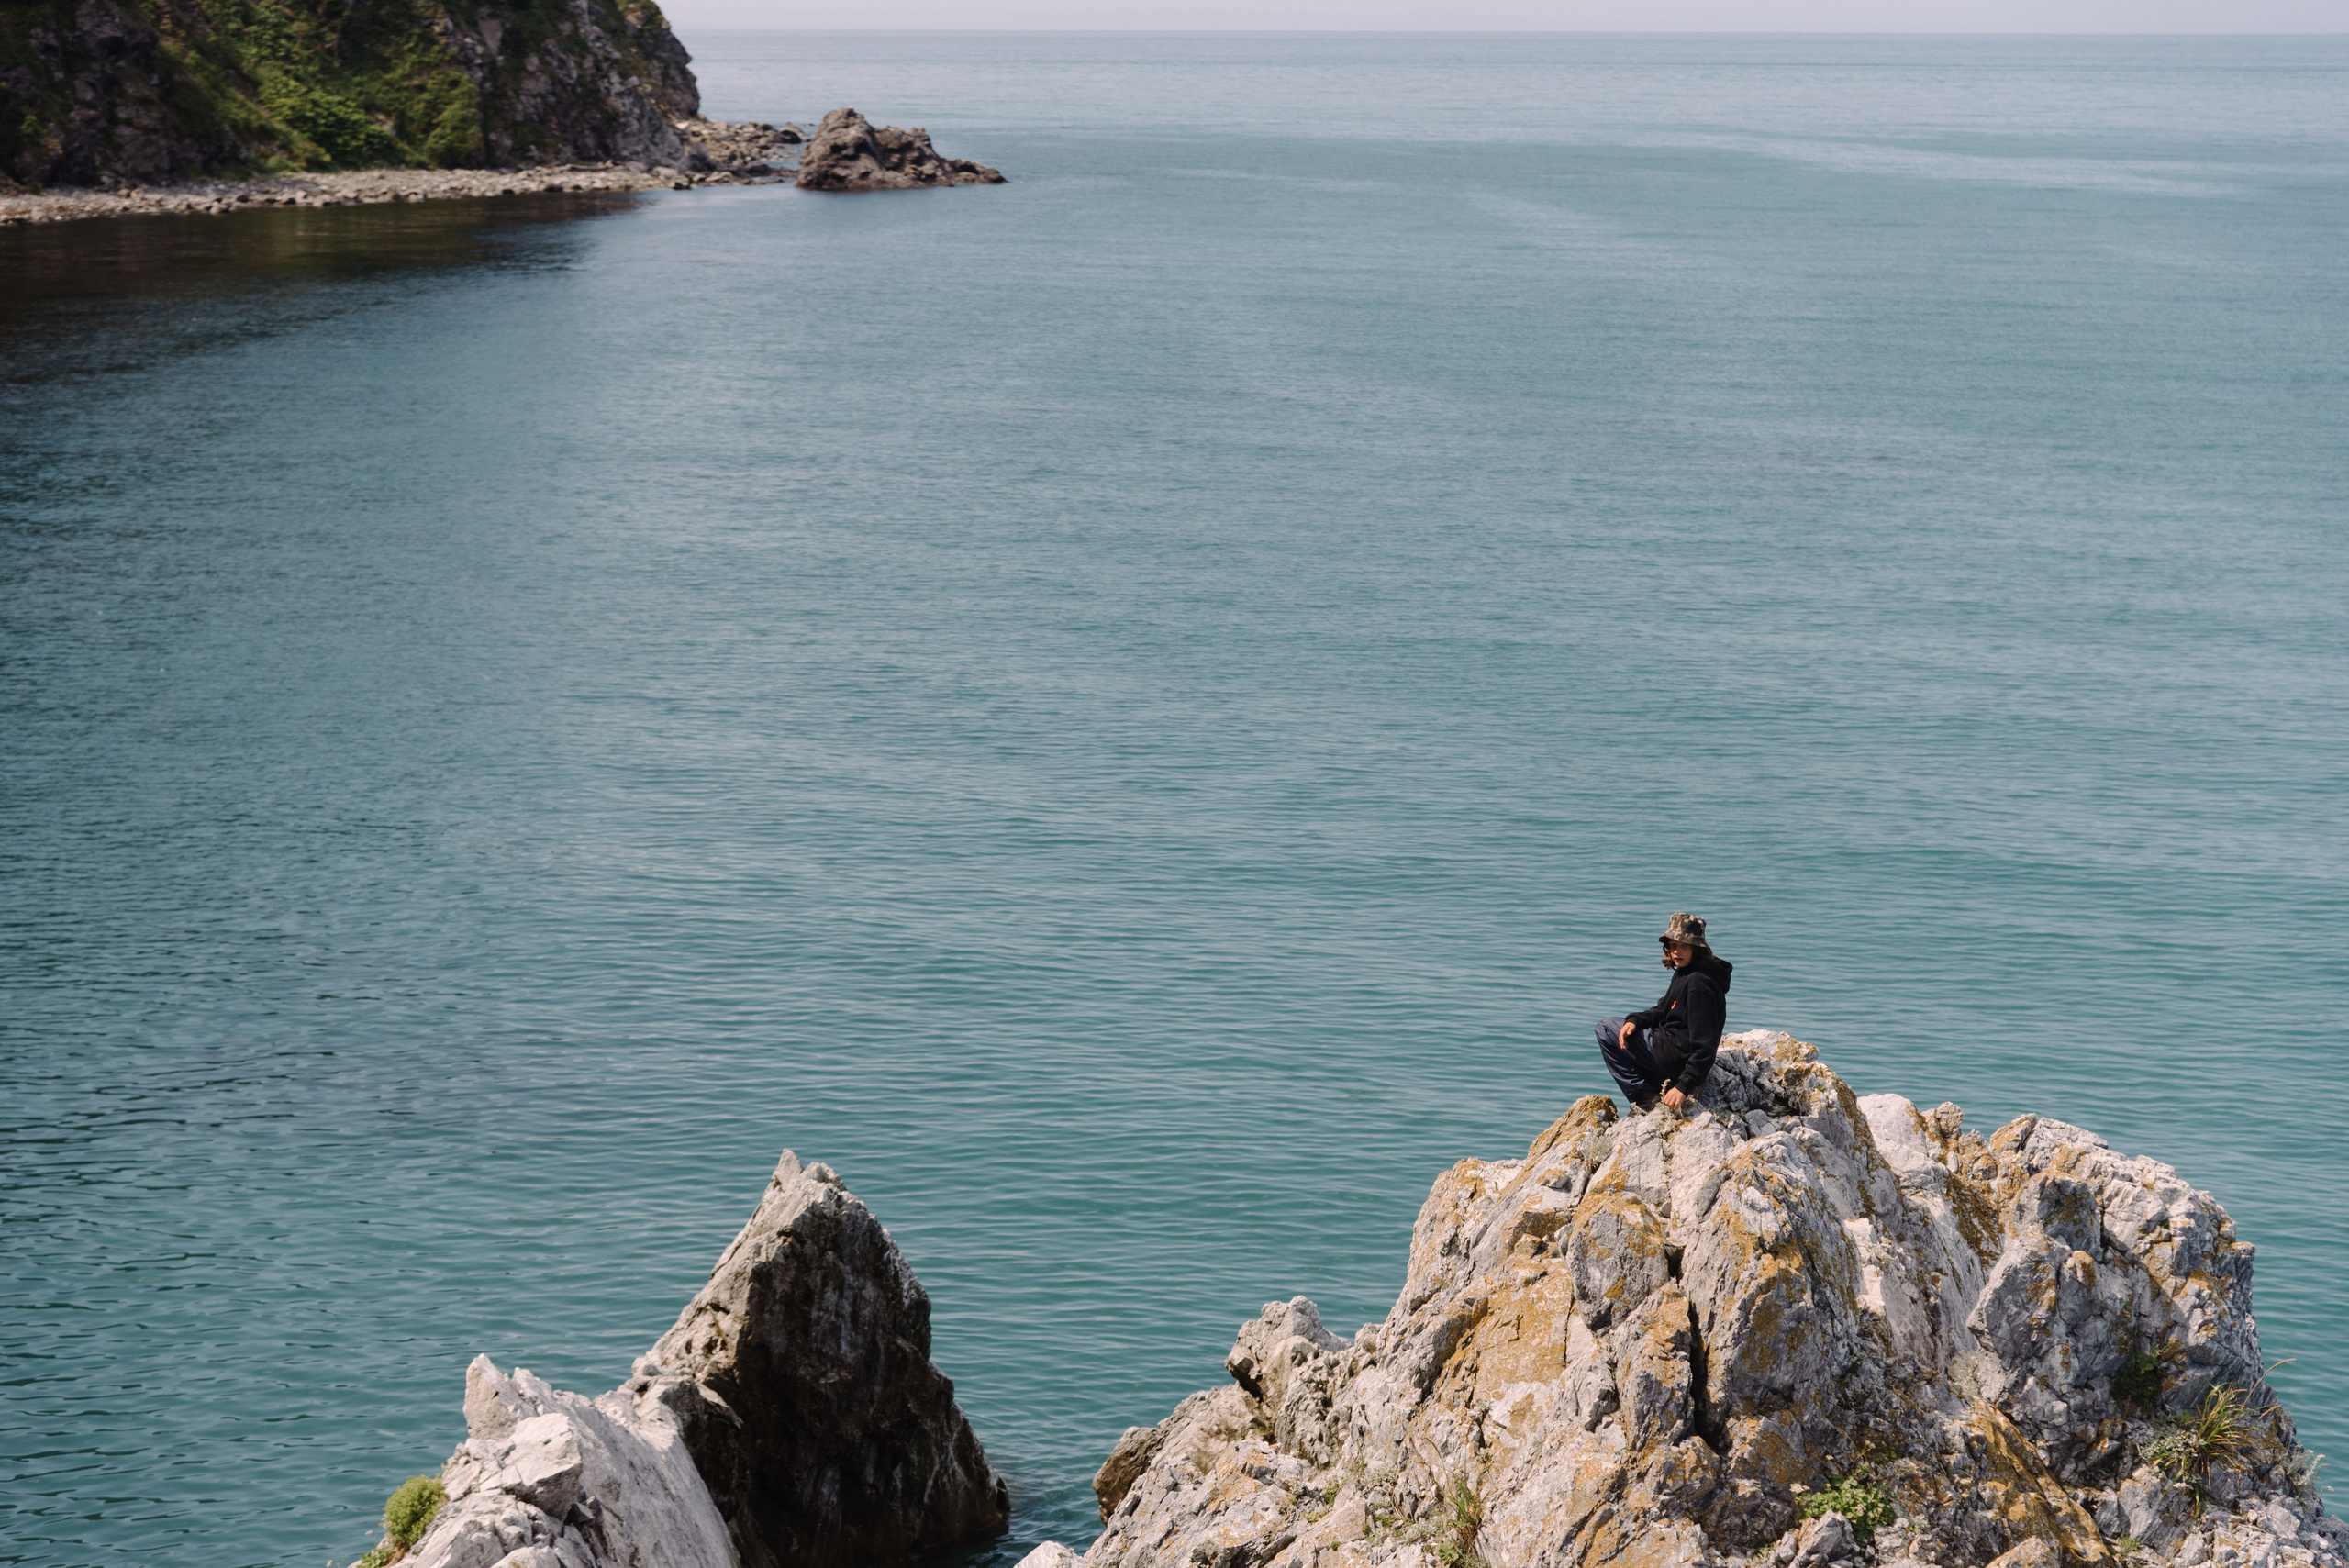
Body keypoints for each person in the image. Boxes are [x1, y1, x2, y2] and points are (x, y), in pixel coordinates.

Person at [1595, 914, 1733, 1114]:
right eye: (1672, 945)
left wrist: (1684, 1087)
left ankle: (1645, 1098)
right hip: (1672, 1048)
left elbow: (1706, 1045)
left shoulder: (1698, 984)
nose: (1677, 952)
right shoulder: (1688, 971)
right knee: (1624, 1028)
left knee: (1605, 1028)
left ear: (1697, 947)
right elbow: (1664, 1008)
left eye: (1684, 945)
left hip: (1673, 1055)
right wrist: (1636, 1020)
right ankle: (1657, 1084)